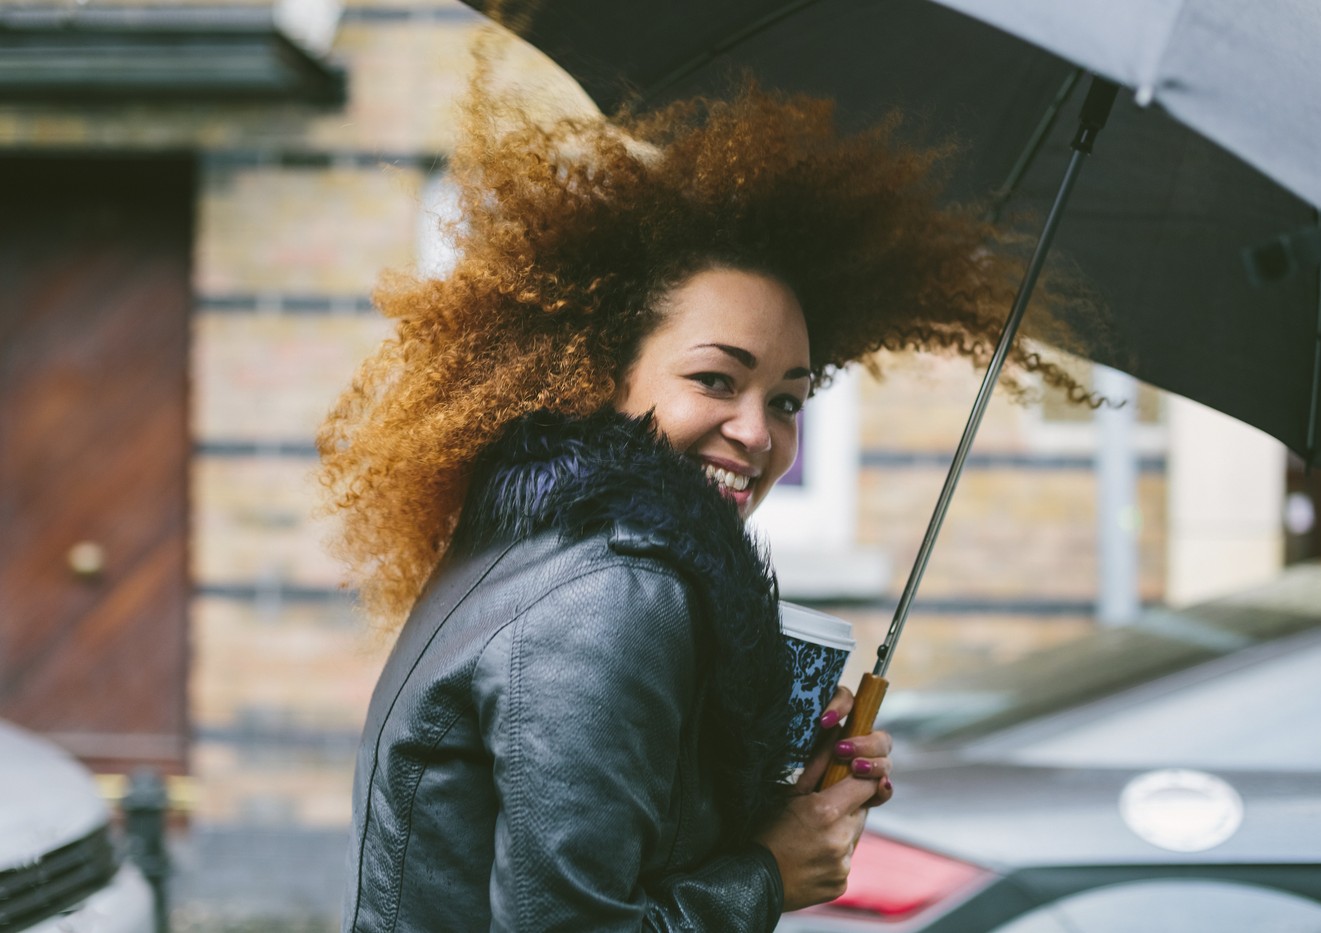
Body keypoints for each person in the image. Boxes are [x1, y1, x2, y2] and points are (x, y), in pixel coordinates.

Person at [321, 33, 1088, 932]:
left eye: (792, 399)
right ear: (603, 371)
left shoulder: (531, 539)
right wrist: (771, 870)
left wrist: (759, 758)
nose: (758, 433)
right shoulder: (617, 592)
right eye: (716, 380)